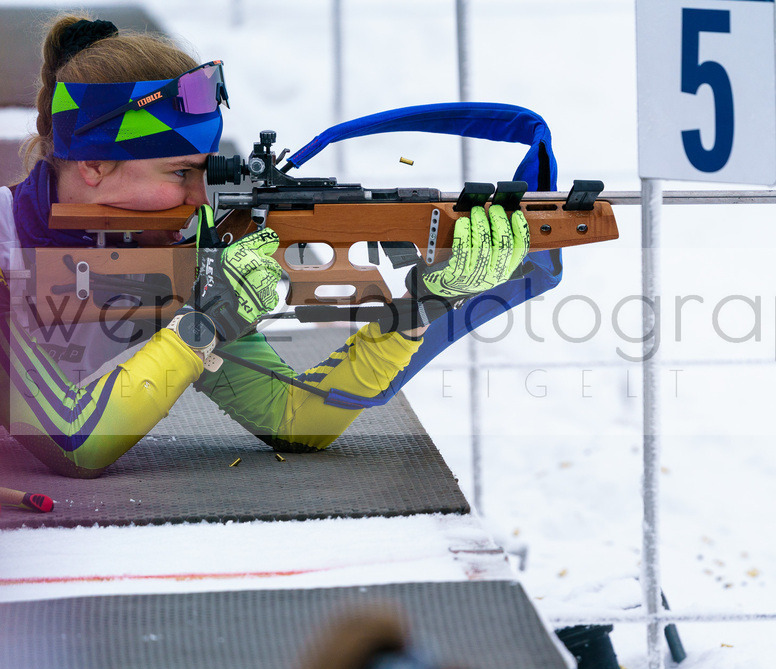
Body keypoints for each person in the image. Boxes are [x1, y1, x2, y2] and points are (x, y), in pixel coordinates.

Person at [0, 15, 529, 479]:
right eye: (180, 172)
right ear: (93, 164)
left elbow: (295, 419)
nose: (200, 198)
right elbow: (77, 443)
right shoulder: (6, 253)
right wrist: (204, 323)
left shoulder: (169, 253)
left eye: (207, 172)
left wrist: (424, 305)